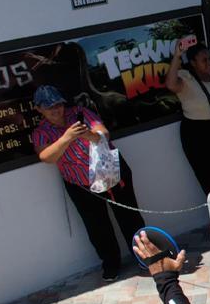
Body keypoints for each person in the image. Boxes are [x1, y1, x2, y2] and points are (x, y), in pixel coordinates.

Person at [30, 85, 145, 281]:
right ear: (39, 109)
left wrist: (88, 134)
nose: (56, 110)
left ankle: (144, 256)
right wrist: (67, 137)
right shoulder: (41, 132)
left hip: (110, 171)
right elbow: (46, 157)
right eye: (49, 107)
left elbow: (104, 134)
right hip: (80, 184)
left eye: (58, 105)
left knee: (129, 216)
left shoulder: (79, 112)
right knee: (97, 226)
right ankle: (111, 263)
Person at [164, 41, 210, 195]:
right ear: (193, 63)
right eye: (204, 60)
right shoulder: (186, 77)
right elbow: (171, 85)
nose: (209, 63)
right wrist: (177, 55)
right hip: (197, 133)